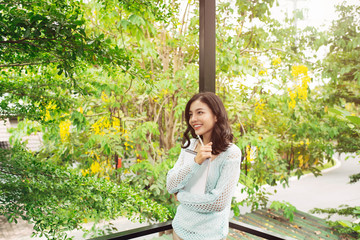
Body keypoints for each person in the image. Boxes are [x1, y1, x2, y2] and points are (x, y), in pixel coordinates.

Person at [166, 92, 242, 240]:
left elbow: (218, 202)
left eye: (200, 112)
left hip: (210, 235)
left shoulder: (231, 153)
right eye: (190, 114)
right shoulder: (190, 145)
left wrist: (181, 196)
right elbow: (170, 184)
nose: (193, 119)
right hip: (180, 229)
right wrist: (196, 162)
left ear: (216, 116)